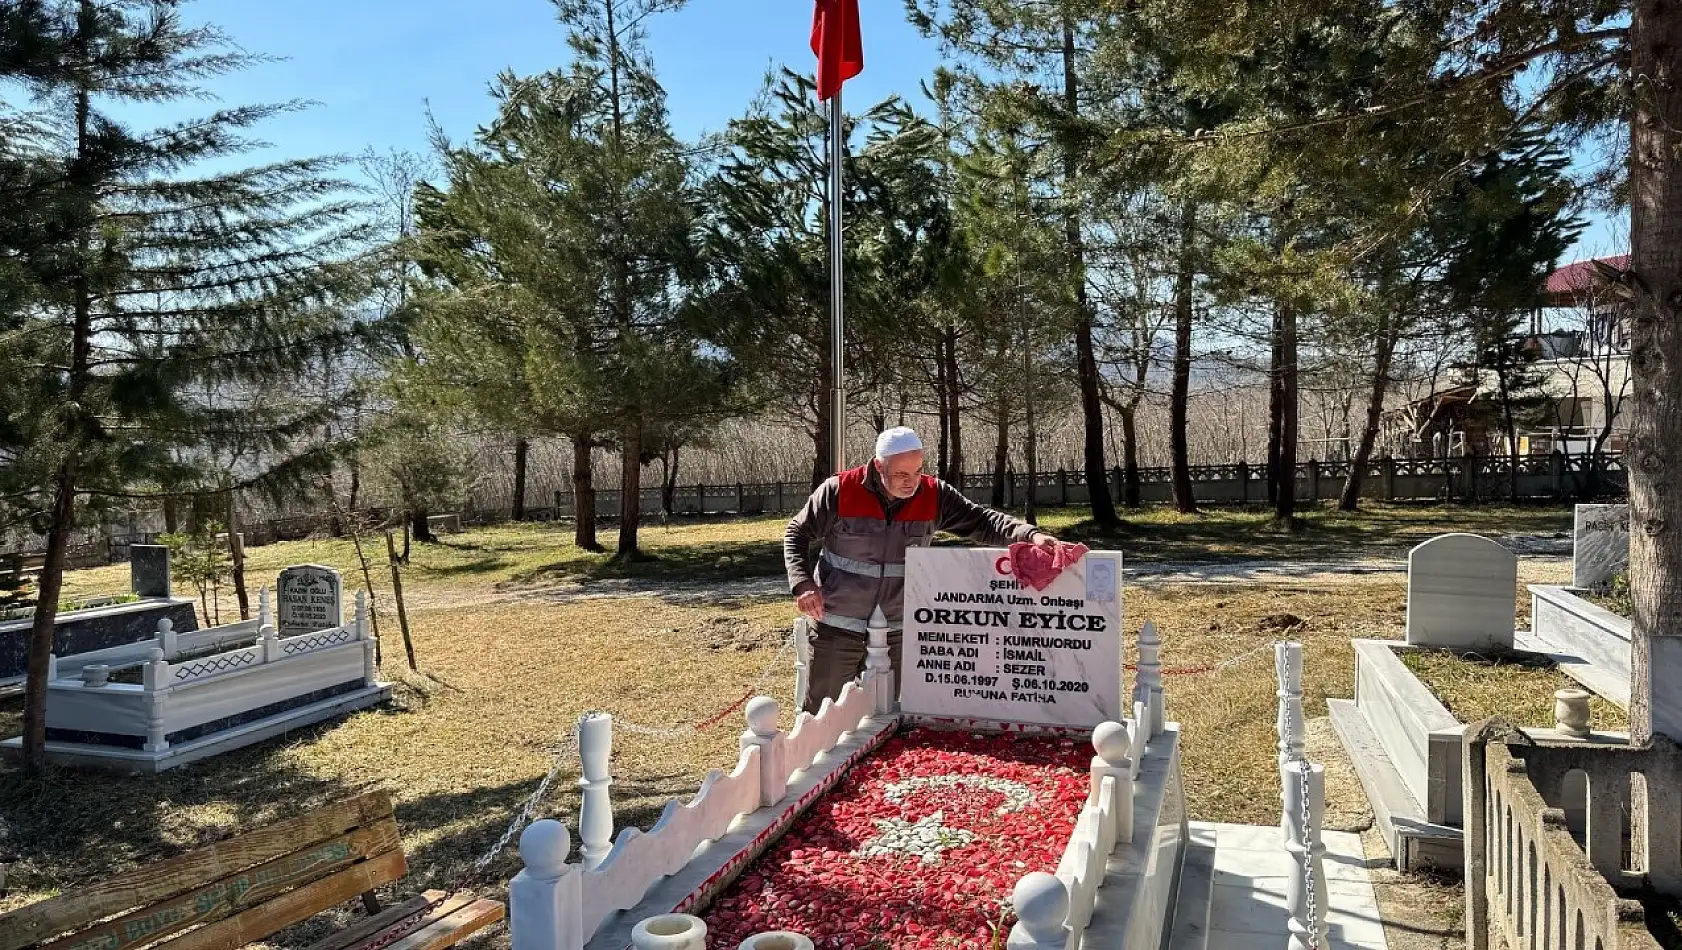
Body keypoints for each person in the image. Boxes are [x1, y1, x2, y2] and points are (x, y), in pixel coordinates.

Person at [783, 426, 1059, 712]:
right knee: (822, 718)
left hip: (898, 630)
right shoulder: (840, 490)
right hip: (837, 625)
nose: (911, 483)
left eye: (917, 472)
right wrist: (803, 583)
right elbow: (797, 532)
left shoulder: (933, 494)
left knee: (889, 716)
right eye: (902, 474)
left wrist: (1029, 535)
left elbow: (981, 521)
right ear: (879, 466)